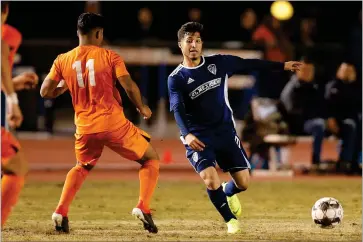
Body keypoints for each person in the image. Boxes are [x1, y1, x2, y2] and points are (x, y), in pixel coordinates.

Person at [167, 22, 301, 234]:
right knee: (210, 179)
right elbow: (176, 108)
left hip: (225, 133)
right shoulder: (176, 78)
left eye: (198, 40)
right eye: (189, 41)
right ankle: (231, 221)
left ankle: (227, 192)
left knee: (243, 182)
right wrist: (187, 134)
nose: (194, 45)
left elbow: (249, 64)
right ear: (180, 45)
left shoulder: (219, 63)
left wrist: (282, 65)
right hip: (199, 138)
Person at [40, 12, 160, 234]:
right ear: (98, 33)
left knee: (82, 166)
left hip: (84, 128)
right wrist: (141, 107)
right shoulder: (110, 56)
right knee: (150, 159)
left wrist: (64, 88)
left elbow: (45, 91)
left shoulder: (62, 59)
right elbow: (129, 86)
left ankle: (60, 211)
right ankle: (143, 206)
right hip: (113, 124)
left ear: (78, 33)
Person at [1, 1, 39, 228]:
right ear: (5, 11)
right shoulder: (6, 37)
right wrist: (13, 102)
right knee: (16, 166)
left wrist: (13, 84)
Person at [280, 58, 326, 172]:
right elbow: (291, 112)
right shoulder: (291, 88)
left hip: (310, 121)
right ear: (297, 71)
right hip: (294, 125)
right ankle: (316, 162)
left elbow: (323, 106)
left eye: (310, 71)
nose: (308, 73)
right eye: (304, 70)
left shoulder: (314, 86)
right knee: (318, 125)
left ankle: (346, 161)